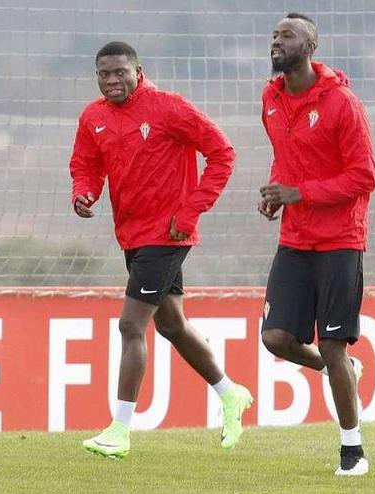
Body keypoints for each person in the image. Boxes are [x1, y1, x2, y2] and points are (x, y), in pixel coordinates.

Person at [70, 41, 252, 459]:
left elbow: (223, 154)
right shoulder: (93, 117)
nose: (112, 81)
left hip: (168, 235)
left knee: (131, 327)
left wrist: (190, 212)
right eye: (104, 74)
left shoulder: (169, 108)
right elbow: (86, 164)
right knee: (171, 325)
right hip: (132, 235)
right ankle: (230, 393)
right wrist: (84, 192)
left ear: (138, 71)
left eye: (120, 73)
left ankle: (119, 429)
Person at [258, 13, 375, 476]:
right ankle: (338, 370)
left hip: (340, 242)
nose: (276, 41)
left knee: (332, 343)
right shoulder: (269, 99)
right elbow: (286, 161)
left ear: (309, 45)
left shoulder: (341, 103)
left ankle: (353, 451)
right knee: (276, 338)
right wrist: (276, 191)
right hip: (294, 239)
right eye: (274, 34)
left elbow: (365, 176)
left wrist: (300, 193)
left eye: (286, 35)